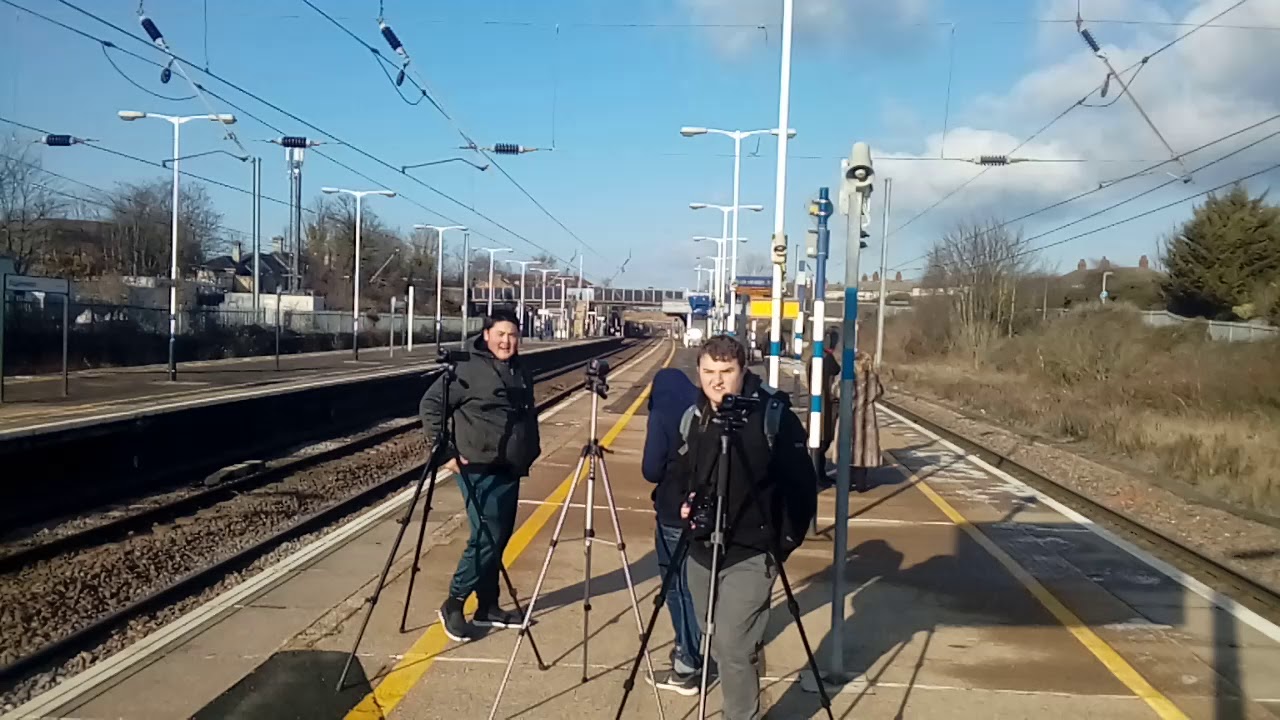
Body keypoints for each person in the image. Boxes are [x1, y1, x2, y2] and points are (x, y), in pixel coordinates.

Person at [677, 335, 817, 720]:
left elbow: (802, 486)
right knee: (717, 641)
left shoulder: (774, 416)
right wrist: (682, 505)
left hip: (753, 551)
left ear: (743, 371)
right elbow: (680, 472)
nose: (716, 381)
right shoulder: (696, 415)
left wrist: (782, 542)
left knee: (734, 646)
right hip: (703, 549)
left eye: (726, 372)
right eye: (708, 372)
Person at [419, 308, 542, 642]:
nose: (507, 341)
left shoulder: (519, 369)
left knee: (498, 537)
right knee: (487, 535)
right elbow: (430, 406)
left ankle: (488, 605)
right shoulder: (467, 368)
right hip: (477, 464)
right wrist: (444, 453)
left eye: (513, 335)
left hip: (510, 465)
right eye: (501, 334)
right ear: (486, 334)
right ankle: (454, 603)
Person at [641, 368, 704, 695]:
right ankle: (695, 649)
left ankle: (687, 662)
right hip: (706, 511)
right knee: (698, 584)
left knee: (678, 588)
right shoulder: (702, 405)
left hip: (672, 512)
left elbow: (650, 470)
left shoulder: (662, 411)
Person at [806, 326, 841, 480]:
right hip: (825, 406)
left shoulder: (814, 358)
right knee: (822, 440)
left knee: (819, 440)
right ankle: (818, 473)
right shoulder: (826, 359)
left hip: (818, 403)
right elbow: (835, 372)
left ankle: (819, 472)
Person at [852, 350, 884, 492]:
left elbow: (837, 391)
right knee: (864, 453)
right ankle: (861, 484)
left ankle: (847, 483)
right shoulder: (873, 378)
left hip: (851, 416)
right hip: (867, 418)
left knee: (849, 450)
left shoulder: (850, 377)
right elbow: (879, 392)